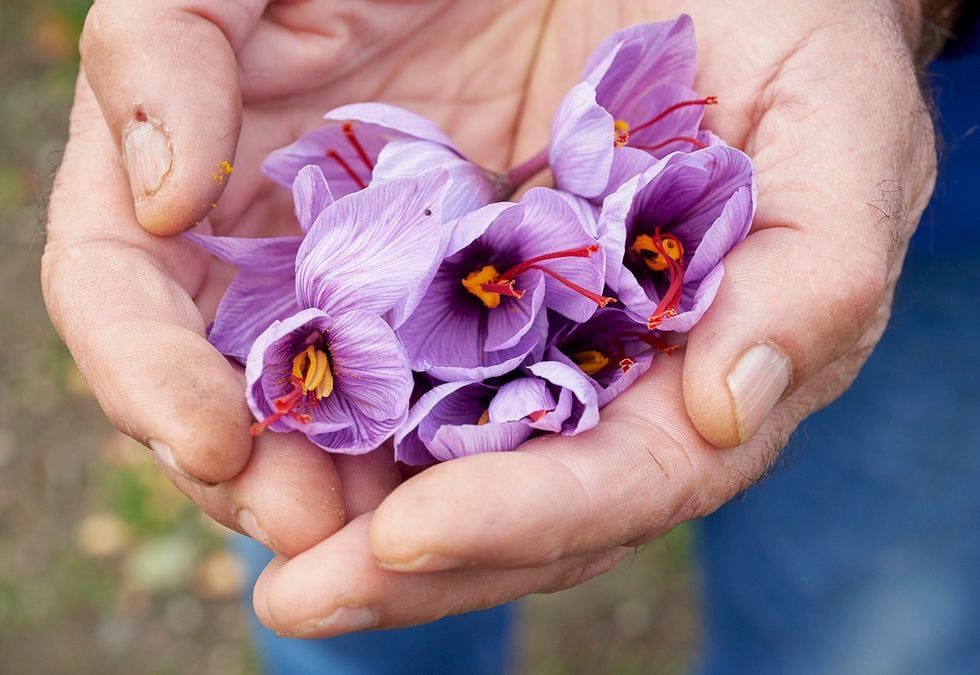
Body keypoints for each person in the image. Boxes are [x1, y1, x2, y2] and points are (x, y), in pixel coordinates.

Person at [41, 1, 960, 672]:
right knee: (346, 566)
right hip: (425, 321)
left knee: (870, 622)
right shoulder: (344, 295)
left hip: (939, 177)